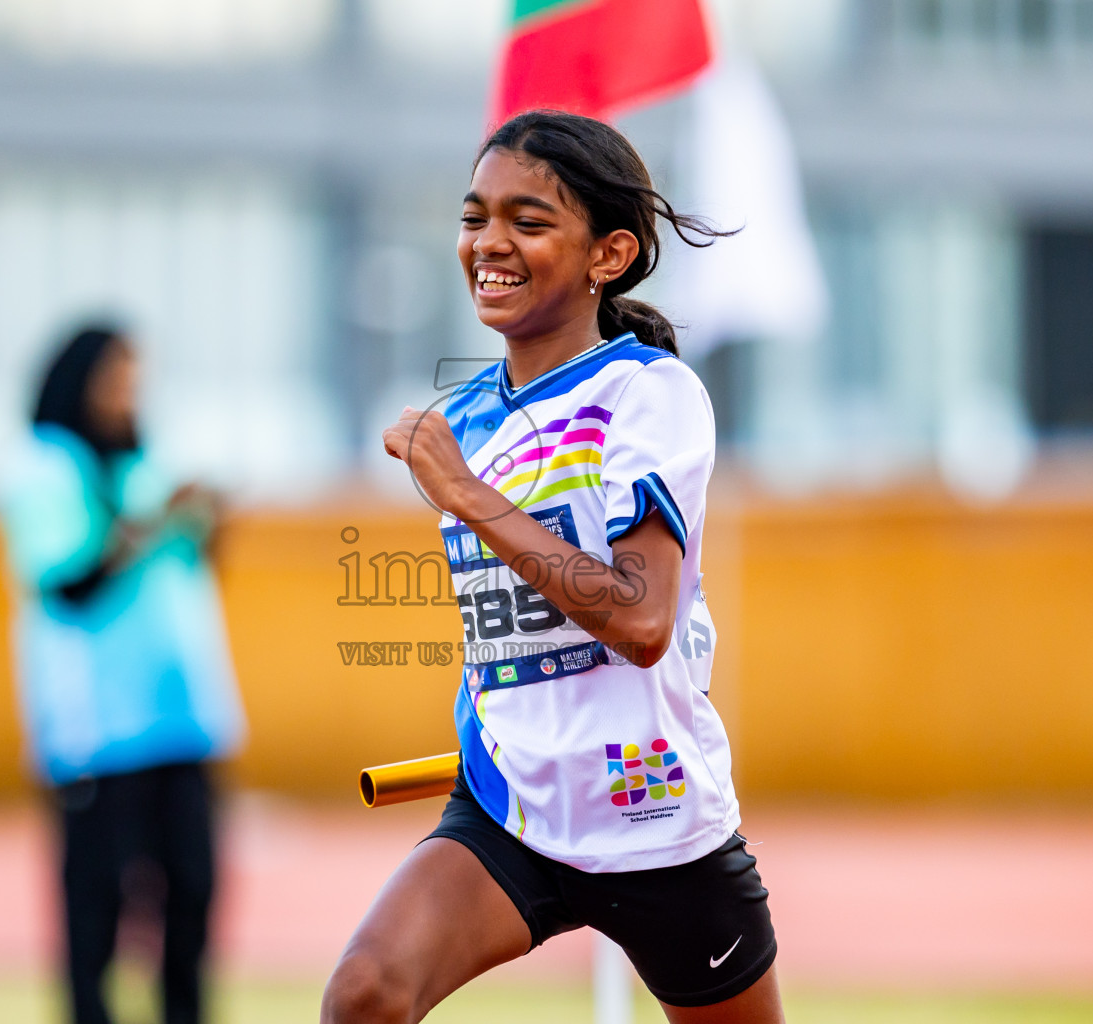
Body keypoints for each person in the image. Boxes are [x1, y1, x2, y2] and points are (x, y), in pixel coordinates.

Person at [321, 111, 785, 1024]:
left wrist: (467, 495)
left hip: (658, 819)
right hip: (510, 809)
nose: (489, 243)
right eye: (474, 216)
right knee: (366, 994)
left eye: (528, 222)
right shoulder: (465, 415)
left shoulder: (650, 393)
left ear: (608, 256)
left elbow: (642, 625)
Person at [0, 324, 245, 1024]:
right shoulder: (44, 466)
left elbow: (193, 561)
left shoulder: (147, 460)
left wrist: (207, 517)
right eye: (116, 378)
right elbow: (69, 582)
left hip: (183, 716)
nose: (129, 394)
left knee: (194, 890)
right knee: (97, 903)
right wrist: (155, 520)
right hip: (96, 725)